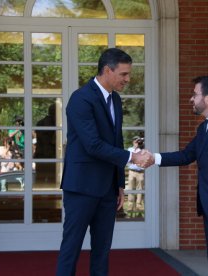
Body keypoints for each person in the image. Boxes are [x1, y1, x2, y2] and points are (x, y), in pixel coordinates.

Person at [143, 76, 208, 275]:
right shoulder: (205, 127)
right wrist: (153, 158)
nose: (191, 99)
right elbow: (186, 155)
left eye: (195, 94)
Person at [56, 48, 148, 276]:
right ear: (107, 70)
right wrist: (132, 156)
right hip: (81, 188)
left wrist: (119, 184)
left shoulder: (115, 100)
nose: (128, 79)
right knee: (71, 248)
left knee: (102, 250)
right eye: (124, 74)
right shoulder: (80, 99)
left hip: (107, 189)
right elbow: (93, 145)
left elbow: (116, 142)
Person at [127, 136, 145, 212]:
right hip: (131, 171)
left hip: (140, 172)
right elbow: (128, 159)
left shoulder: (142, 150)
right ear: (133, 142)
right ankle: (130, 206)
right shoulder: (130, 149)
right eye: (135, 141)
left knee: (140, 189)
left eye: (138, 141)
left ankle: (139, 205)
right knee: (130, 188)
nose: (136, 143)